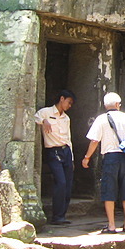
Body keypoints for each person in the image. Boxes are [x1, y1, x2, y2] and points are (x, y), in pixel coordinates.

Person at [81, 92, 125, 234]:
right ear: (118, 104)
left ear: (105, 105)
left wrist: (87, 157)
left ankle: (111, 225)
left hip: (110, 157)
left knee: (109, 191)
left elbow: (94, 140)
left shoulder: (101, 119)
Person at [34, 89, 75, 225]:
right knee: (61, 182)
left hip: (66, 151)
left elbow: (68, 138)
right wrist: (44, 121)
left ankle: (62, 215)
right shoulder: (46, 112)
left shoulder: (66, 118)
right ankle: (56, 216)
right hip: (53, 151)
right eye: (69, 102)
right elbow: (34, 117)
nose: (70, 106)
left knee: (68, 184)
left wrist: (72, 158)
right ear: (62, 99)